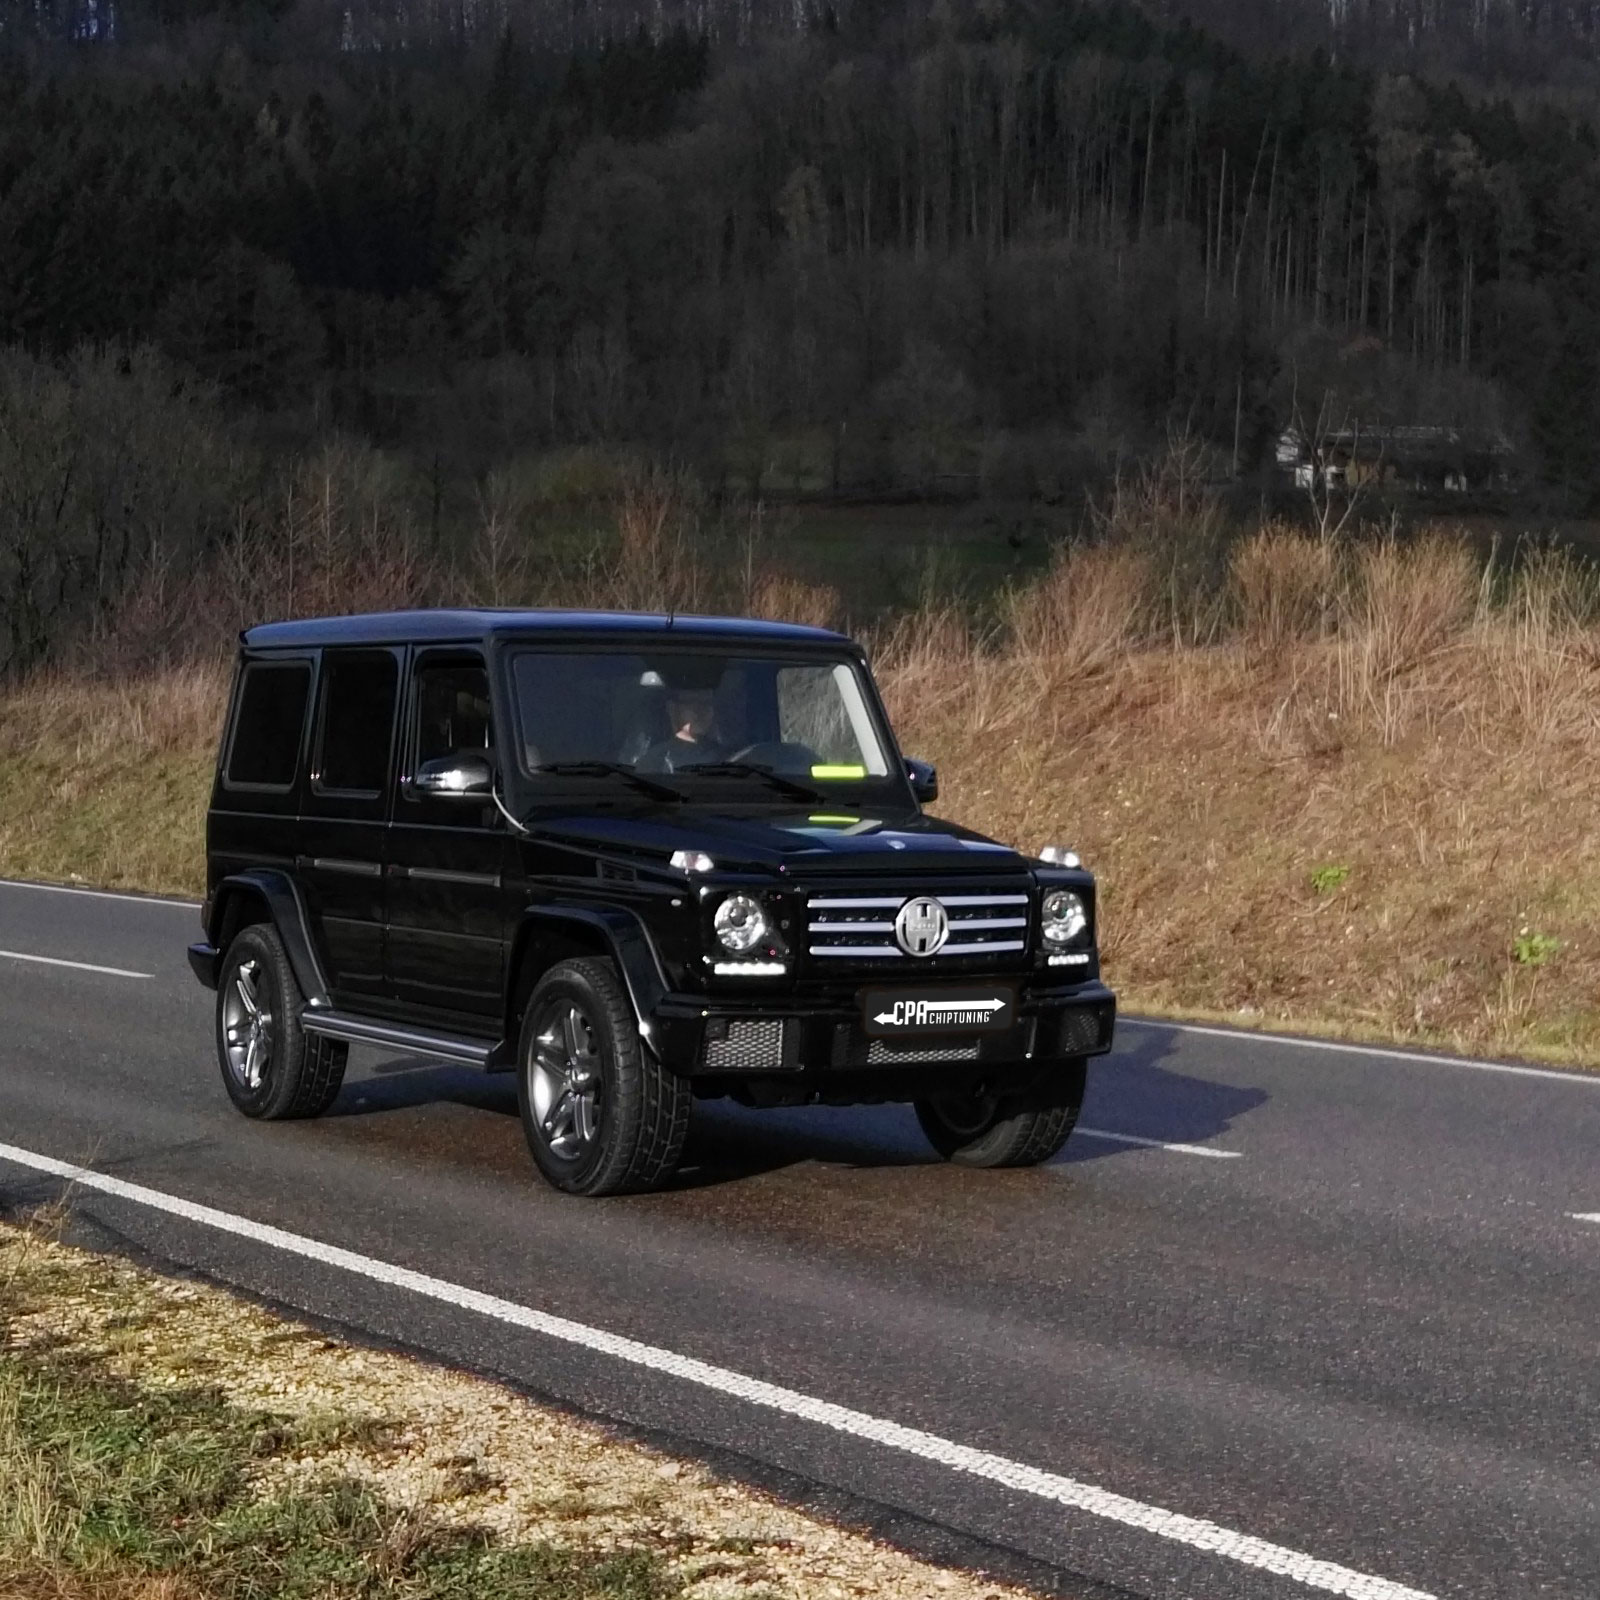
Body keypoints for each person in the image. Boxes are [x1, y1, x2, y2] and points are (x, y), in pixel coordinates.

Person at [639, 684, 727, 771]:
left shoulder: (730, 759)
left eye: (707, 703)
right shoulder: (655, 762)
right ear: (672, 709)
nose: (700, 709)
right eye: (691, 702)